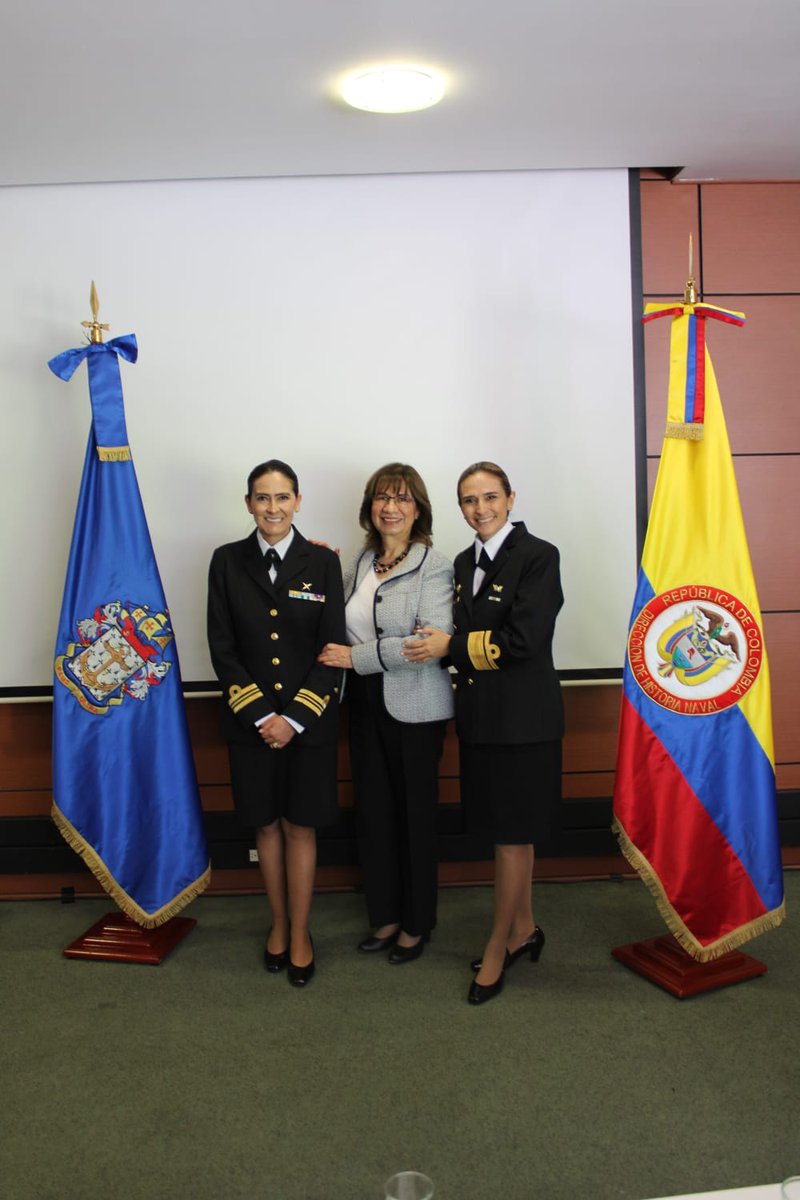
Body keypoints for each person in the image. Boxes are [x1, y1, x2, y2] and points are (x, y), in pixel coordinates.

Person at [404, 461, 563, 1004]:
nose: (481, 508)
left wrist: (453, 647)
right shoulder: (465, 561)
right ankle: (524, 930)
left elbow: (523, 642)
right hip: (479, 719)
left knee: (513, 837)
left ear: (511, 498)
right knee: (506, 833)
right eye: (469, 500)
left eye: (490, 497)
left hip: (524, 720)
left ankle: (499, 945)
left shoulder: (539, 556)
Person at [207, 459, 345, 987]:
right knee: (265, 825)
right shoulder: (226, 561)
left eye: (282, 497)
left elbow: (332, 649)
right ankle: (280, 924)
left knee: (300, 826)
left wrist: (295, 719)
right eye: (262, 498)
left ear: (298, 501)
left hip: (309, 724)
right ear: (248, 504)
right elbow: (223, 647)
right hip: (251, 724)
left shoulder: (323, 563)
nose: (273, 508)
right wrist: (265, 717)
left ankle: (304, 932)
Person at [318, 463, 454, 964]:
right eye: (381, 497)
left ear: (417, 509)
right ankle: (387, 916)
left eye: (401, 499)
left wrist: (359, 657)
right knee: (374, 814)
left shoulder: (434, 567)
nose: (390, 507)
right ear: (369, 506)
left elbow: (427, 644)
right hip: (364, 702)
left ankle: (418, 924)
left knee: (413, 817)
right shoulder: (358, 561)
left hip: (416, 705)